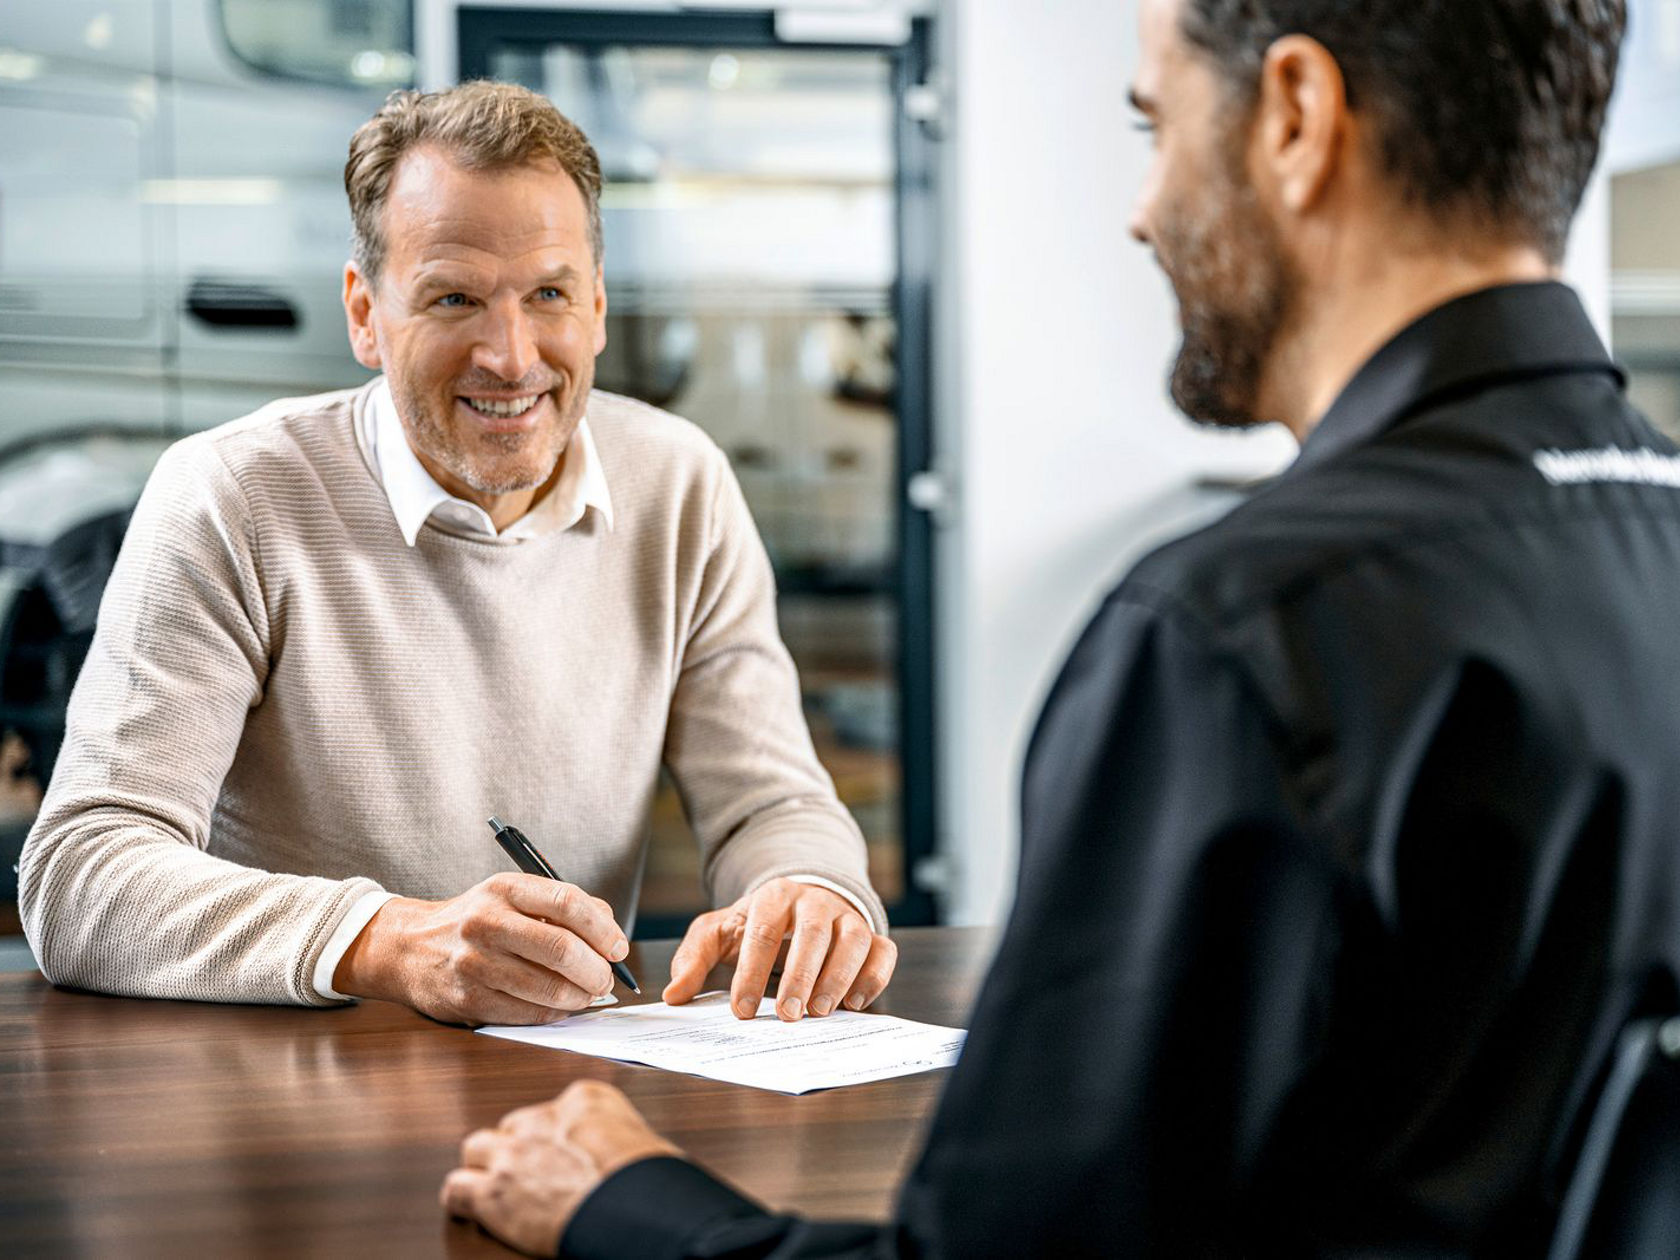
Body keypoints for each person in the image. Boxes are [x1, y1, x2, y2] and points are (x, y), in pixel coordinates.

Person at [439, 0, 1680, 1255]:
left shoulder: (1240, 640)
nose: (1143, 208)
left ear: (1296, 118)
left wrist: (628, 1205)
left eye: (1158, 126)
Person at [17, 82, 897, 1028]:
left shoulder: (681, 483)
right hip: (281, 1092)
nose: (511, 356)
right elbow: (82, 873)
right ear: (365, 315)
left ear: (597, 306)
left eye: (549, 294)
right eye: (454, 298)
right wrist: (389, 943)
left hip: (574, 1085)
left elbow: (769, 804)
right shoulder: (231, 494)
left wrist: (812, 890)